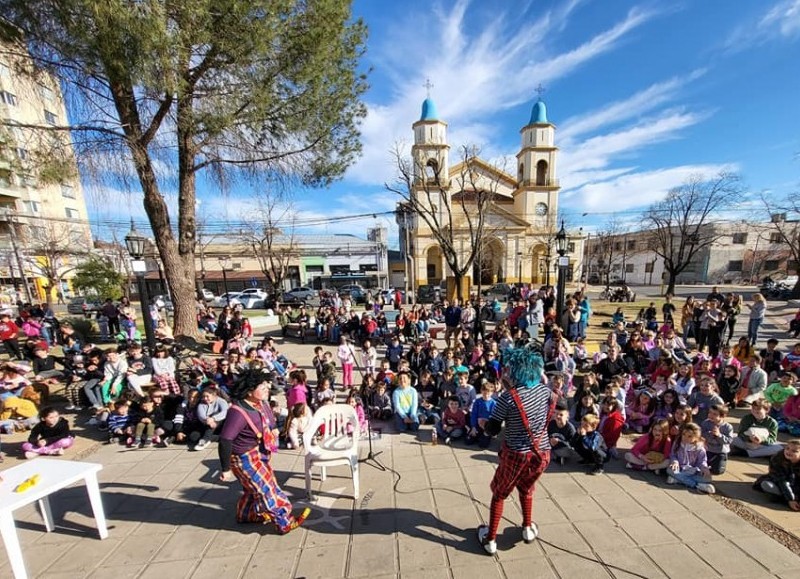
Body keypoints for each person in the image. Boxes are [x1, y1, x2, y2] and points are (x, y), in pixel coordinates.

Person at [477, 347, 556, 555]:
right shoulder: (545, 391)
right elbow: (558, 402)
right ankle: (527, 528)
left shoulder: (508, 397)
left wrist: (485, 424)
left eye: (510, 369)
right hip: (542, 453)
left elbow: (492, 429)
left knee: (500, 494)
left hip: (516, 454)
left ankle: (490, 539)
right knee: (527, 488)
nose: (507, 372)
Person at [218, 368, 310, 533]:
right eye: (262, 387)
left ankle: (246, 514)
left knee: (254, 487)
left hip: (259, 452)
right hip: (243, 458)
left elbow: (268, 417)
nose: (267, 389)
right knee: (266, 489)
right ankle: (284, 522)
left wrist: (274, 429)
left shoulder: (261, 403)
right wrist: (225, 469)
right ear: (249, 391)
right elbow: (225, 440)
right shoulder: (237, 412)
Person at [753, 440, 800, 511]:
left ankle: (782, 498)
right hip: (779, 483)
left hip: (796, 486)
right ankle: (787, 500)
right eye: (787, 448)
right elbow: (781, 480)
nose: (789, 452)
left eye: (794, 451)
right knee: (766, 485)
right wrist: (791, 499)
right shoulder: (778, 458)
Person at [668, 423, 715, 494]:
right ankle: (696, 485)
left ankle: (678, 480)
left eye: (689, 436)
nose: (685, 438)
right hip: (680, 468)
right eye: (683, 434)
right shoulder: (678, 443)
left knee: (708, 478)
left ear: (696, 437)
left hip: (693, 471)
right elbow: (673, 454)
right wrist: (675, 461)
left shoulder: (700, 449)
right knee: (669, 470)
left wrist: (704, 468)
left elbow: (702, 461)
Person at [701, 404, 734, 475]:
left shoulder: (727, 427)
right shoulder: (705, 423)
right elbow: (701, 435)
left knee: (718, 471)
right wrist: (709, 434)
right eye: (710, 412)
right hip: (708, 450)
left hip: (720, 452)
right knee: (701, 466)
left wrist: (719, 435)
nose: (711, 415)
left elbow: (729, 440)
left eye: (715, 414)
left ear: (722, 416)